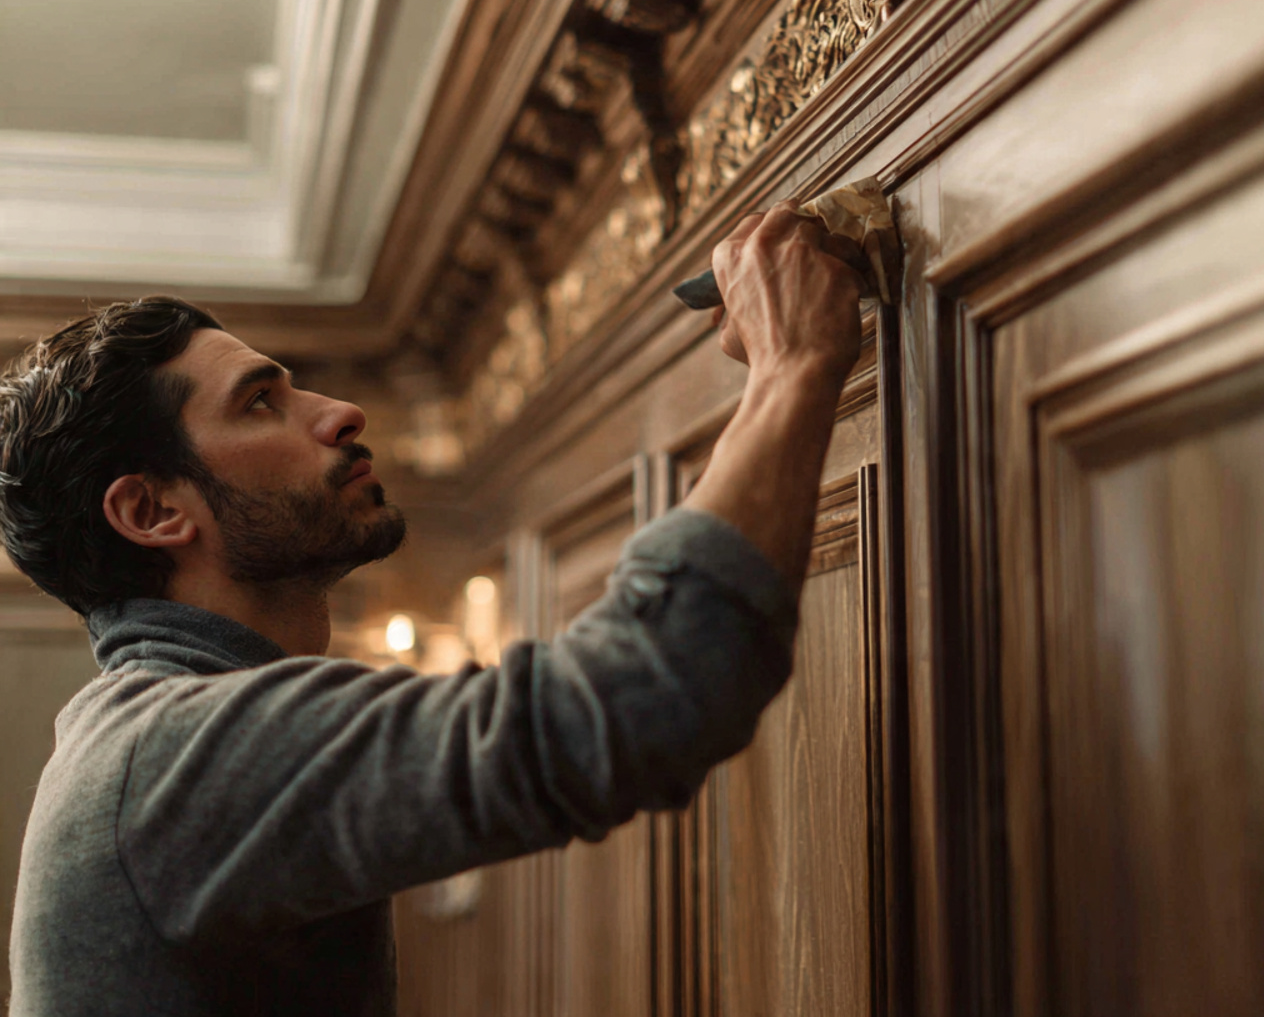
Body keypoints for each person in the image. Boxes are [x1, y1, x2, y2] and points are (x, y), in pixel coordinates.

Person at [2, 203, 863, 1017]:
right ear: (152, 513)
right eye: (260, 402)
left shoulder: (144, 741)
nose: (342, 413)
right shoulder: (166, 756)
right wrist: (792, 364)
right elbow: (654, 684)